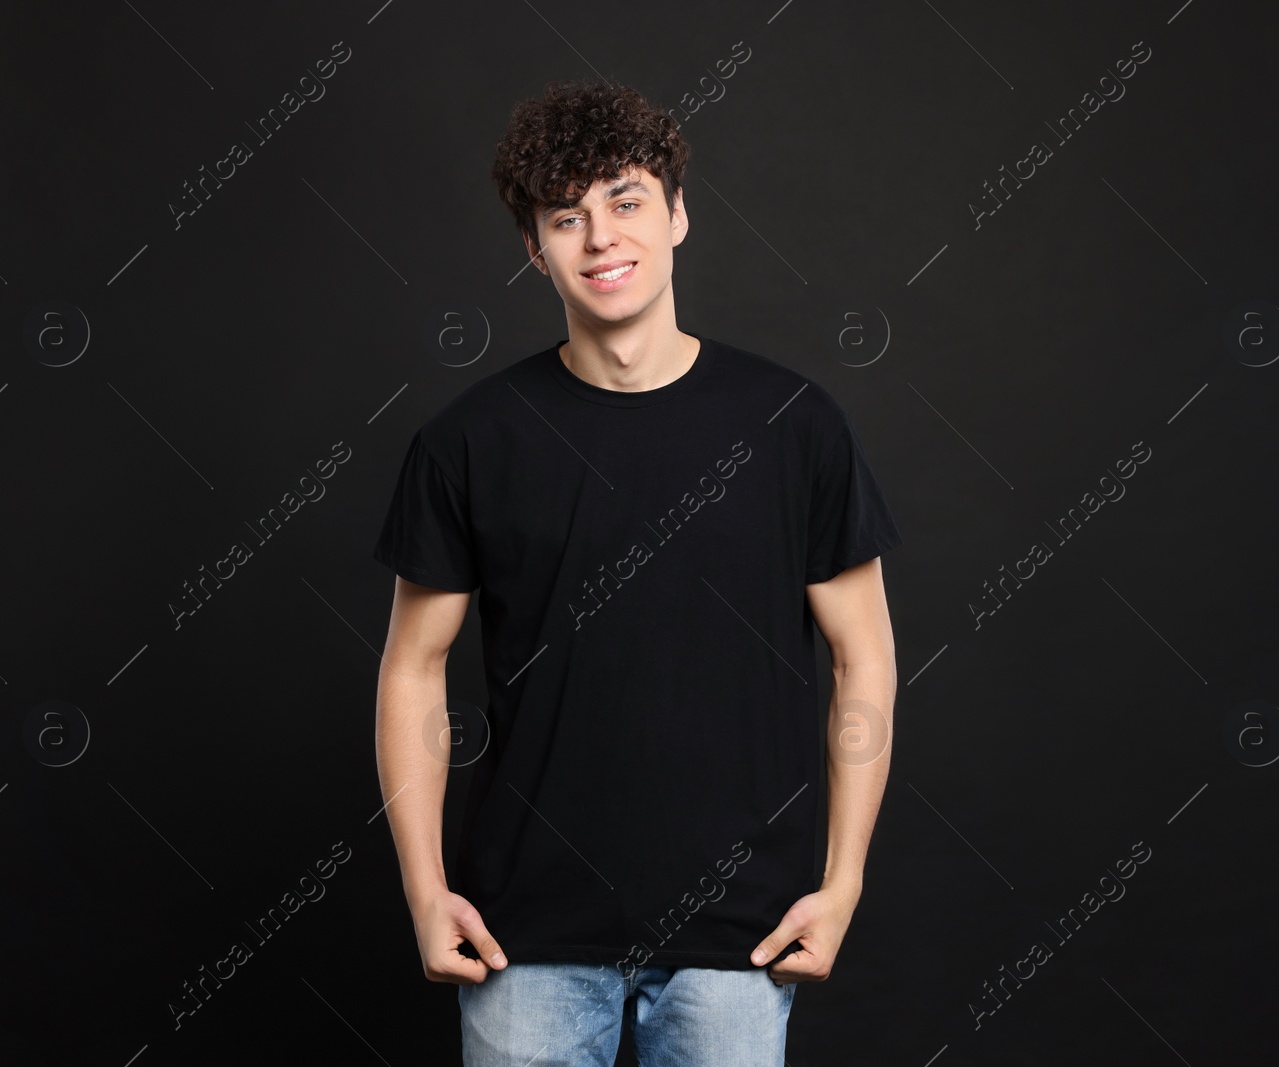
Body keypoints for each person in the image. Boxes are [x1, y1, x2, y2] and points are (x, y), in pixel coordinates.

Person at [372, 77, 902, 1066]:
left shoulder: (795, 426)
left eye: (623, 200)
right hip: (520, 935)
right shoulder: (469, 443)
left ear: (676, 213)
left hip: (739, 937)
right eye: (565, 216)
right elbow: (412, 669)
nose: (600, 236)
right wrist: (422, 885)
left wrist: (844, 881)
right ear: (535, 249)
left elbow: (863, 656)